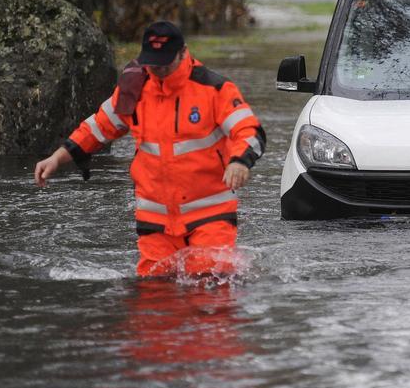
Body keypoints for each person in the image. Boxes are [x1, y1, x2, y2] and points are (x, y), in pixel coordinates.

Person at [33, 20, 266, 277]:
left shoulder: (214, 89)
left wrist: (239, 161)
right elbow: (98, 128)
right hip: (155, 220)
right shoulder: (133, 89)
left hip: (210, 215)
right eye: (154, 63)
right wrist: (57, 157)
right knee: (153, 294)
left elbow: (249, 131)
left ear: (183, 52)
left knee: (208, 287)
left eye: (166, 62)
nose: (160, 70)